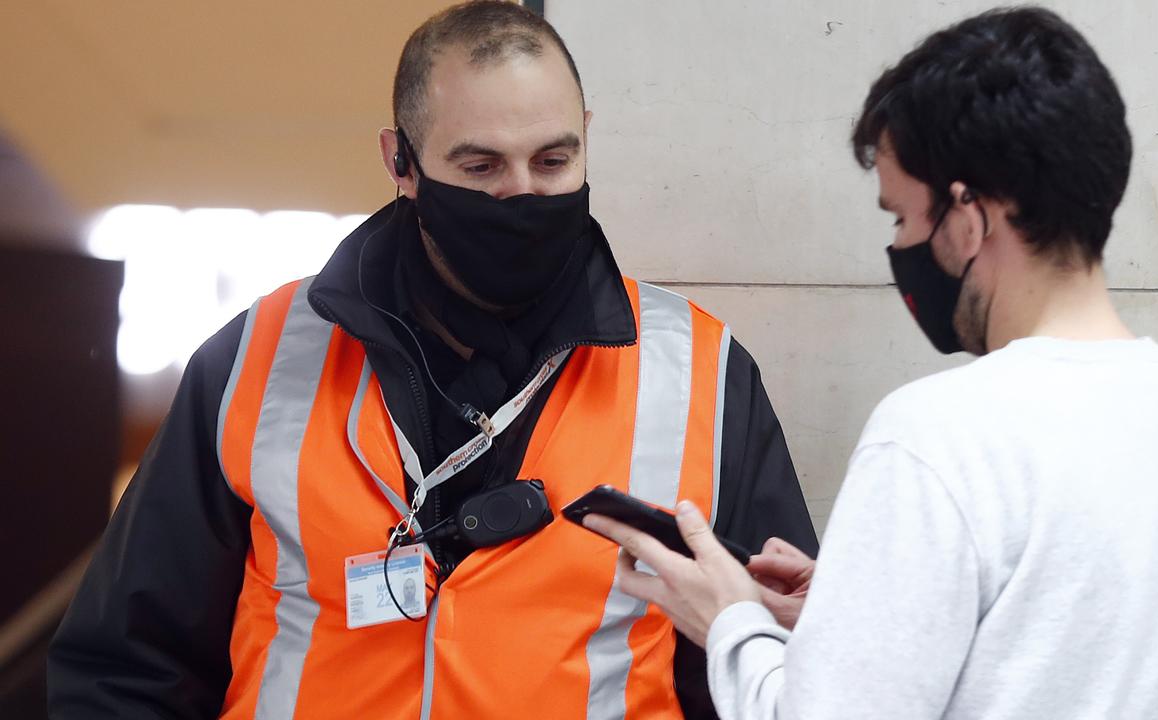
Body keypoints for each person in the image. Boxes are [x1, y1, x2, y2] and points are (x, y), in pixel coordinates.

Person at [46, 2, 817, 718]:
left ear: (586, 137)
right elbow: (127, 666)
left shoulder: (702, 373)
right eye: (481, 168)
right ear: (401, 163)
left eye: (552, 162)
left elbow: (767, 671)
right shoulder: (260, 355)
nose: (521, 195)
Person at [585, 7, 1158, 719]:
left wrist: (729, 621)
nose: (901, 244)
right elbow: (1074, 641)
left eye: (901, 217)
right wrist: (867, 617)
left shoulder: (939, 436)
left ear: (967, 217)